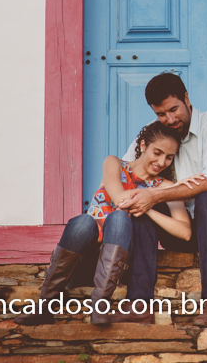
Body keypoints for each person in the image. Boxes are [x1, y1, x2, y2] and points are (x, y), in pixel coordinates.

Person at [108, 72, 207, 327]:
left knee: (206, 197)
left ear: (186, 98)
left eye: (174, 109)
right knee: (142, 207)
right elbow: (127, 172)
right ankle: (138, 305)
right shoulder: (156, 135)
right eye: (161, 114)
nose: (170, 119)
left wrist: (154, 194)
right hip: (185, 230)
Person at [15, 122, 191, 326]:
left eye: (169, 157)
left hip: (117, 265)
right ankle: (44, 306)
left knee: (119, 218)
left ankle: (100, 306)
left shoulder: (166, 187)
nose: (162, 162)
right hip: (86, 259)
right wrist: (146, 197)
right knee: (83, 222)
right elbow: (118, 198)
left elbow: (185, 232)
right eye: (157, 152)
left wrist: (149, 207)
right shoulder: (114, 163)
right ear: (143, 145)